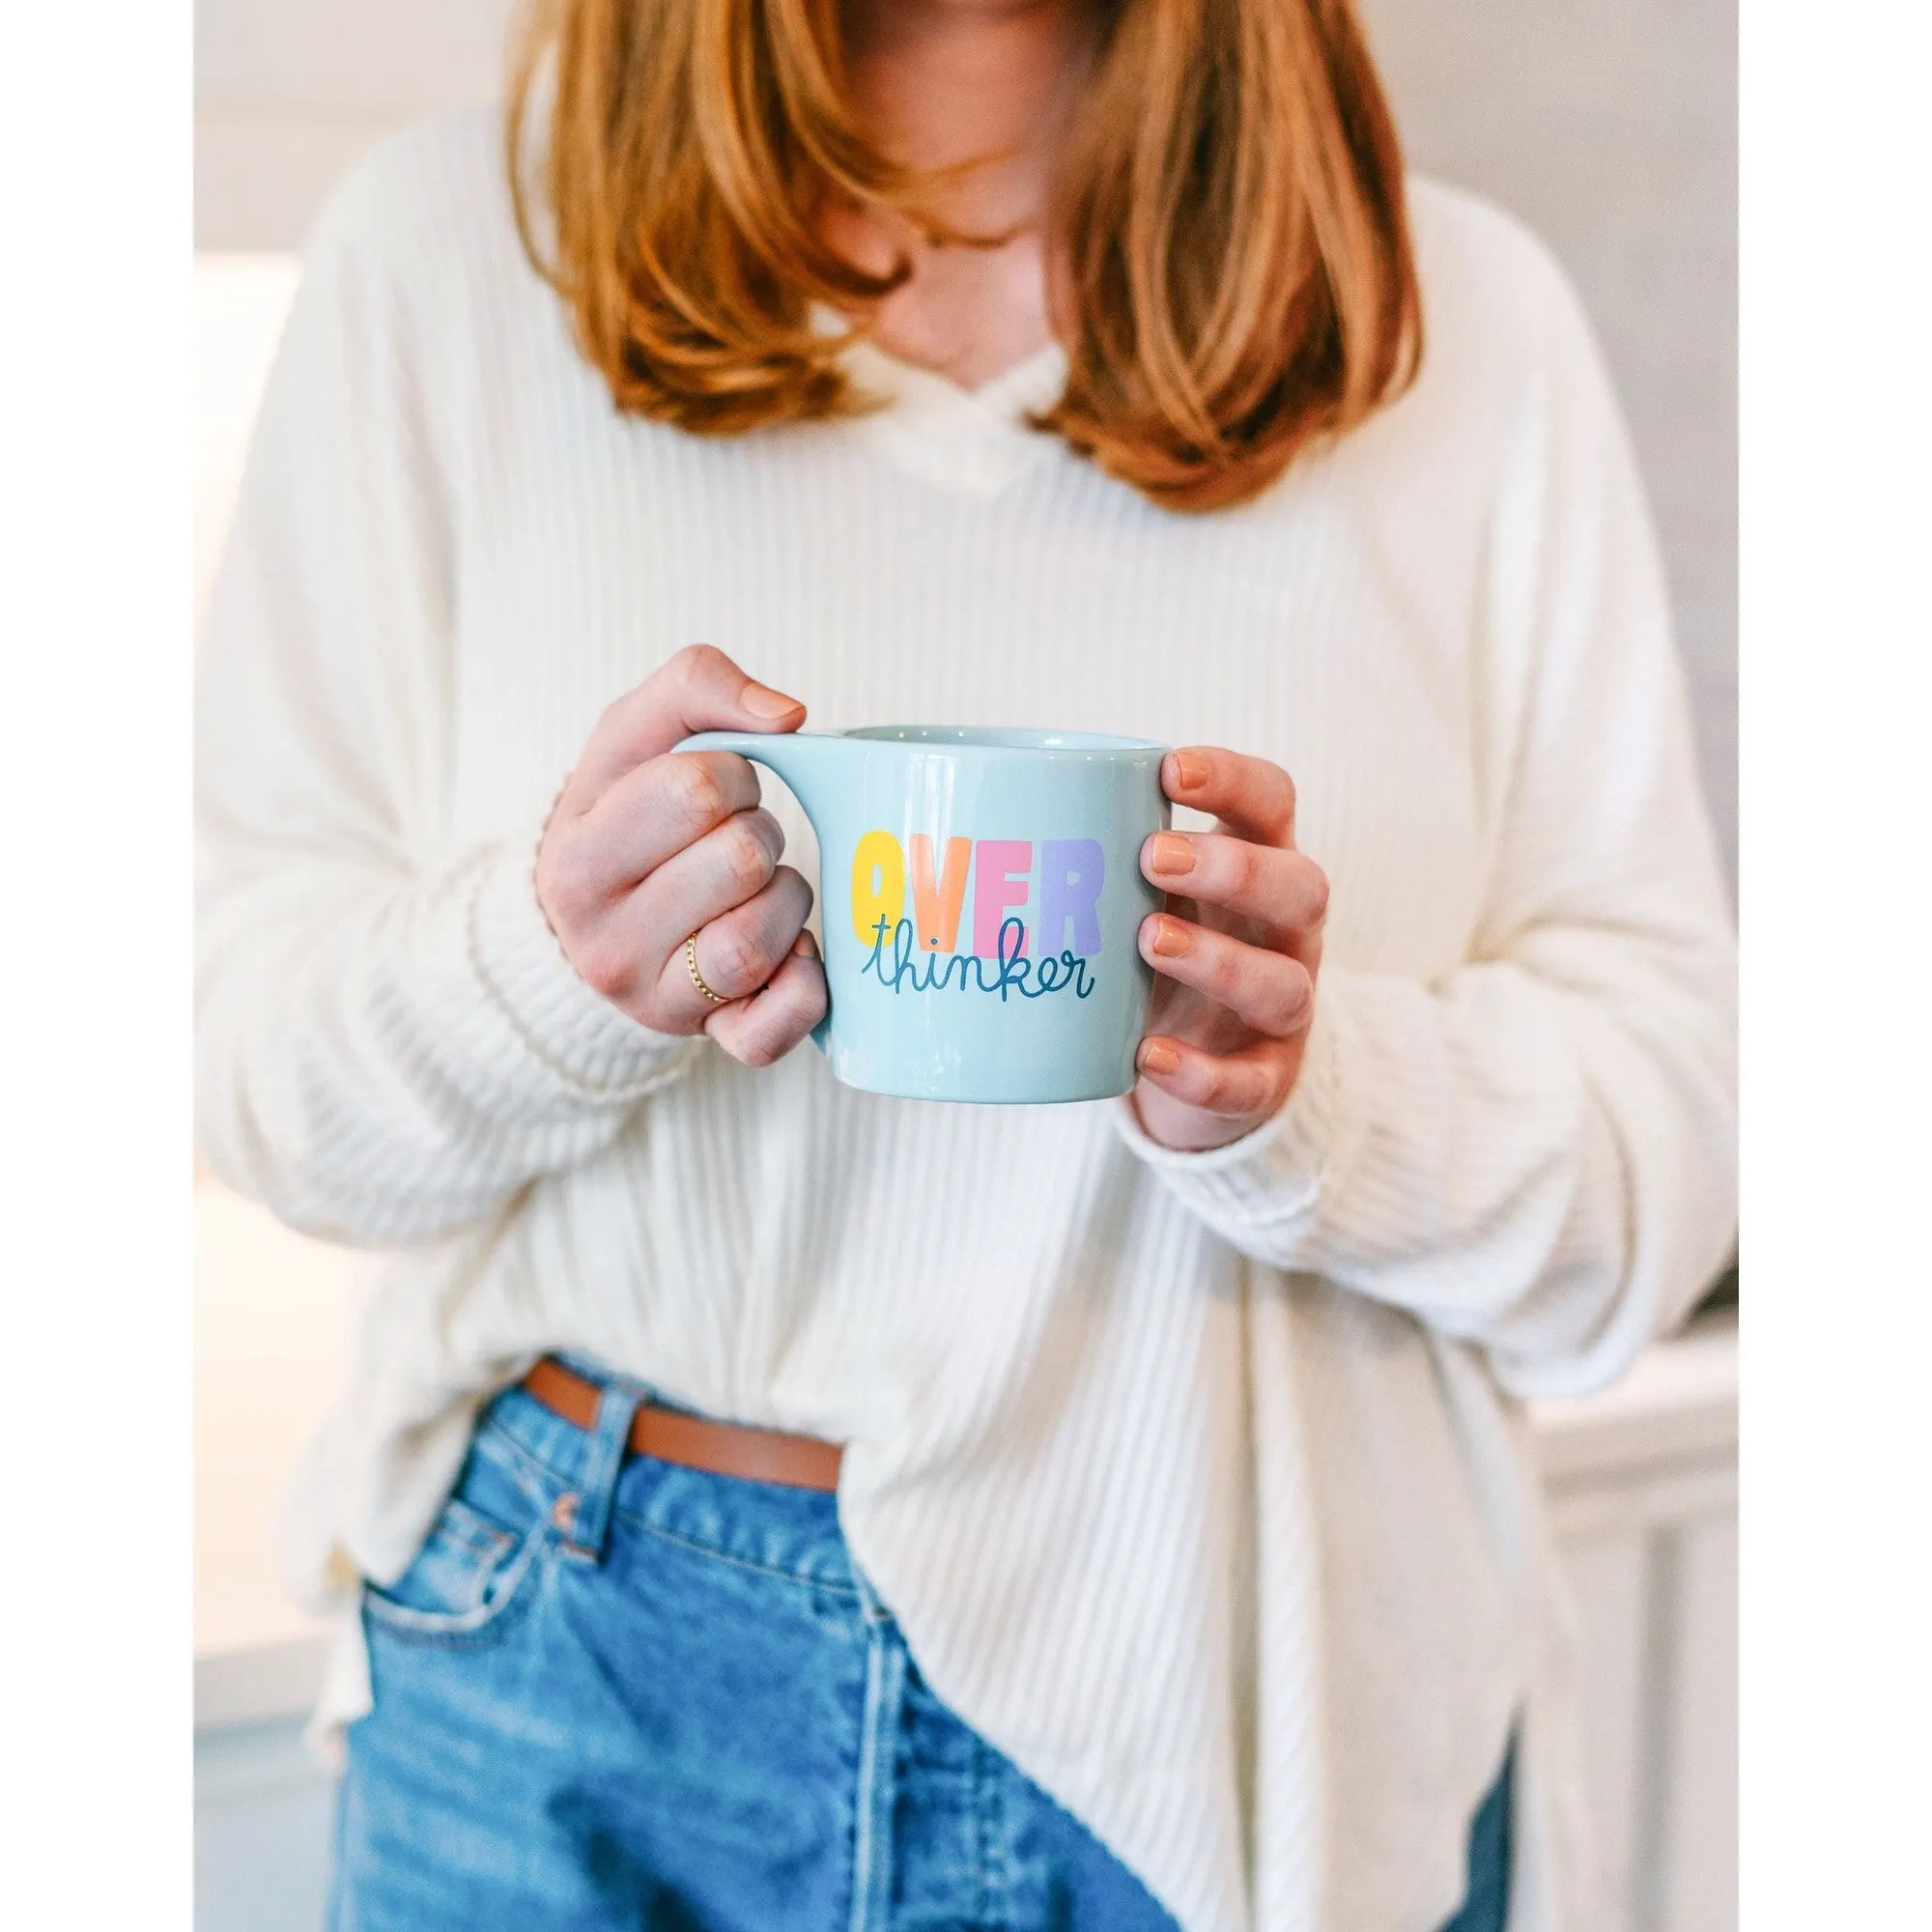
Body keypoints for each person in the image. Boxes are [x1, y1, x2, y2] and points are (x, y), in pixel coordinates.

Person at [194, 0, 1738, 1926]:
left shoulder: (1462, 325)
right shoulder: (443, 259)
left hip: (1244, 1707)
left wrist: (1309, 1094)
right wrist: (545, 967)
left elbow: (1663, 1177)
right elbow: (244, 1065)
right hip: (567, 1694)